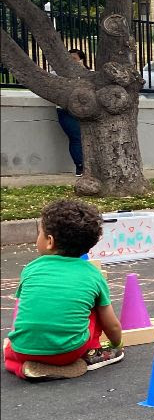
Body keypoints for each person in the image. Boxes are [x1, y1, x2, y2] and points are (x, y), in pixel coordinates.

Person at [4, 200, 124, 381]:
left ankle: (22, 368)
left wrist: (18, 339)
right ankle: (92, 353)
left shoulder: (30, 269)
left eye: (40, 233)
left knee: (9, 351)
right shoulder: (93, 274)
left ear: (49, 241)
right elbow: (111, 324)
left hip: (24, 349)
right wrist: (117, 343)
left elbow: (19, 311)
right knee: (94, 308)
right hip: (70, 352)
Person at [56, 49, 87, 177]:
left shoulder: (87, 73)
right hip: (65, 109)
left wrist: (81, 70)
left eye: (74, 59)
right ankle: (80, 166)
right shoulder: (58, 72)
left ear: (81, 60)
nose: (71, 61)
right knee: (75, 137)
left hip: (84, 109)